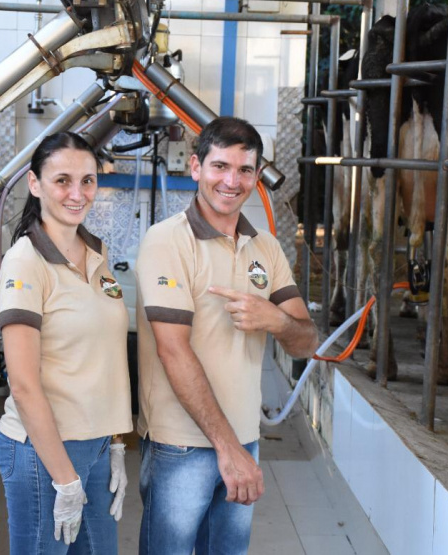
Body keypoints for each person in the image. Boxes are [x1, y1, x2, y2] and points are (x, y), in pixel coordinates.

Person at [135, 117, 319, 554]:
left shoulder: (266, 248)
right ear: (196, 167)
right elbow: (172, 351)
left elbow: (307, 342)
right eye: (220, 167)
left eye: (244, 170)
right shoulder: (167, 242)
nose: (230, 181)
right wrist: (228, 449)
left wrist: (273, 319)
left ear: (257, 177)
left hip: (243, 437)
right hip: (179, 445)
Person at [0, 132, 132, 554]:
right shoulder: (25, 262)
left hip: (93, 444)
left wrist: (113, 441)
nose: (78, 193)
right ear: (35, 185)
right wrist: (65, 479)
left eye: (88, 180)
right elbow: (23, 384)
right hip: (43, 453)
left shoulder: (95, 251)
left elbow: (104, 355)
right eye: (63, 180)